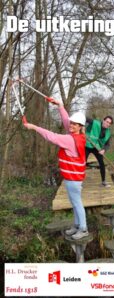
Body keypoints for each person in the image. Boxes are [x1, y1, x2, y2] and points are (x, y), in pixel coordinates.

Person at [24, 100, 89, 240]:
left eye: (74, 124)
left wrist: (34, 127)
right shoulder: (78, 136)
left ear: (80, 127)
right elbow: (66, 122)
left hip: (73, 178)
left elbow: (51, 136)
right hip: (73, 177)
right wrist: (60, 106)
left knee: (77, 203)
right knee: (74, 202)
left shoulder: (70, 139)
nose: (71, 125)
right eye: (71, 123)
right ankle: (77, 225)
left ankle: (83, 229)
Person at [85, 116, 113, 187]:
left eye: (109, 123)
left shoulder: (108, 133)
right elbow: (84, 118)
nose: (107, 124)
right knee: (82, 163)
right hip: (87, 145)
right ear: (103, 120)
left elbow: (107, 144)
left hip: (97, 148)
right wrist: (80, 127)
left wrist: (103, 150)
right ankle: (78, 182)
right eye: (107, 121)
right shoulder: (95, 123)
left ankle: (103, 182)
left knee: (102, 164)